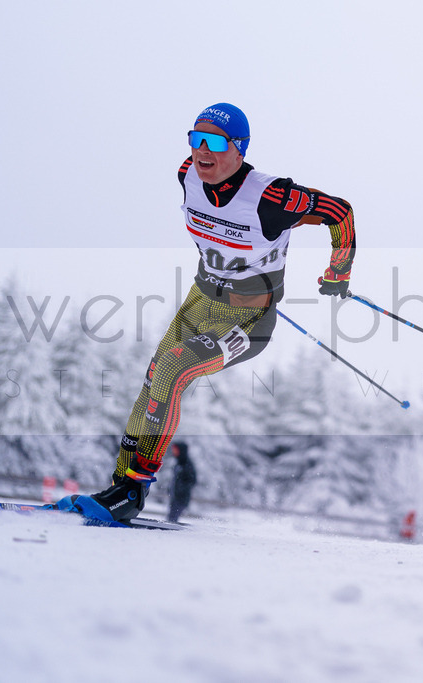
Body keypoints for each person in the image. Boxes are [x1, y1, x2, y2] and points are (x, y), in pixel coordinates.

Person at [51, 102, 355, 524]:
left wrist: (338, 271)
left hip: (249, 319)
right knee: (155, 378)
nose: (202, 151)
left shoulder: (272, 197)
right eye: (195, 139)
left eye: (214, 141)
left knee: (175, 369)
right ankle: (119, 487)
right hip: (200, 302)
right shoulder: (187, 175)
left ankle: (135, 489)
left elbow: (339, 212)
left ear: (240, 148)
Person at [166, 441, 197, 523]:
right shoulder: (179, 463)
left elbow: (192, 480)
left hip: (181, 499)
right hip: (175, 497)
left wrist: (180, 490)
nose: (174, 452)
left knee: (172, 520)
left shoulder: (187, 465)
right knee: (171, 519)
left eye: (175, 450)